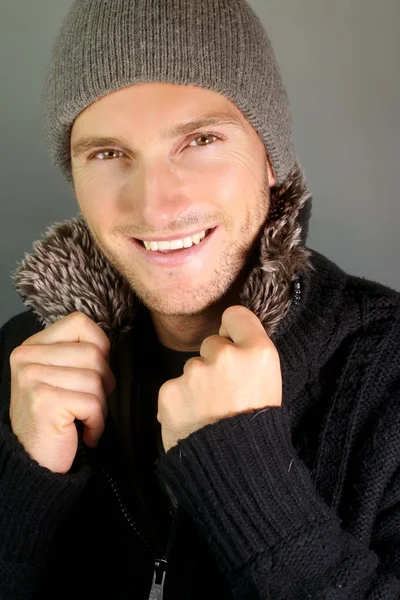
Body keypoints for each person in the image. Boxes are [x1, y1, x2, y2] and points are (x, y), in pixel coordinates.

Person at [0, 0, 399, 598]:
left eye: (201, 139)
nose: (155, 206)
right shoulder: (21, 364)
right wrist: (22, 488)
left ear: (271, 160)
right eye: (109, 154)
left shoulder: (388, 371)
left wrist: (246, 471)